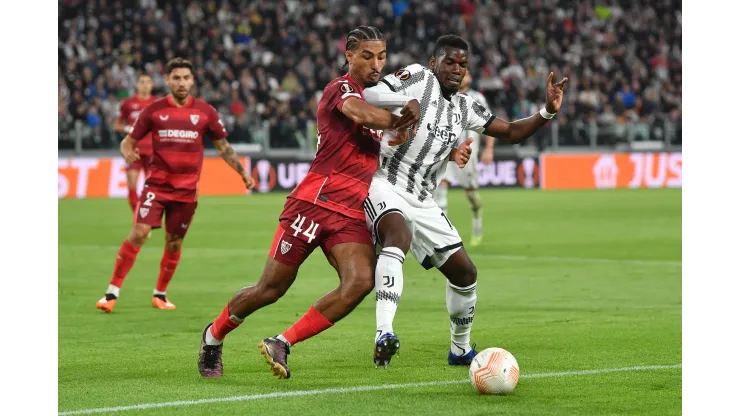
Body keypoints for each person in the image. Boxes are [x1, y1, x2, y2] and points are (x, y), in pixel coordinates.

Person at [197, 26, 420, 379]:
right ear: (349, 55)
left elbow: (392, 141)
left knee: (361, 281)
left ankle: (282, 342)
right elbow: (360, 114)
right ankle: (213, 336)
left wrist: (409, 130)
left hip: (350, 210)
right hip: (314, 202)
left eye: (382, 56)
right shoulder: (340, 89)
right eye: (367, 56)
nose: (376, 64)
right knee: (270, 289)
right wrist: (399, 119)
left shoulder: (378, 97)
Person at [362, 34, 568, 368]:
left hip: (423, 199)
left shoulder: (465, 107)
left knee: (465, 274)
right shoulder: (417, 78)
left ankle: (460, 349)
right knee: (397, 237)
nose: (457, 69)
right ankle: (383, 333)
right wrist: (402, 104)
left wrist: (546, 111)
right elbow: (370, 92)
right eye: (450, 62)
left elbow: (512, 133)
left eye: (463, 64)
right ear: (434, 63)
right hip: (385, 182)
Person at [95, 58, 255, 313]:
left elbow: (223, 147)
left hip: (186, 192)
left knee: (174, 242)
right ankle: (111, 293)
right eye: (177, 78)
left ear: (192, 81)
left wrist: (242, 173)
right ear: (168, 80)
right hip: (157, 186)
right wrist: (126, 151)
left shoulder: (205, 112)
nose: (182, 82)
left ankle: (160, 294)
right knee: (139, 232)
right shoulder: (154, 110)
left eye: (186, 78)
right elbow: (127, 141)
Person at [432, 70, 495, 247]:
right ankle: (443, 237)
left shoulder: (477, 98)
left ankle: (477, 225)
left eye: (466, 74)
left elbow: (491, 124)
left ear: (470, 78)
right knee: (440, 191)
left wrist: (489, 149)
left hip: (468, 155)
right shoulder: (443, 96)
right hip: (445, 152)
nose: (462, 76)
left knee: (472, 196)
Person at [115, 74, 157, 213]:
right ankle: (137, 217)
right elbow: (117, 125)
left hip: (152, 151)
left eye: (148, 82)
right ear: (137, 85)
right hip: (133, 151)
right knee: (132, 185)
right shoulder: (127, 104)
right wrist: (127, 128)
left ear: (152, 85)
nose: (145, 85)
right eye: (142, 82)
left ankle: (148, 216)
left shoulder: (157, 104)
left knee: (152, 188)